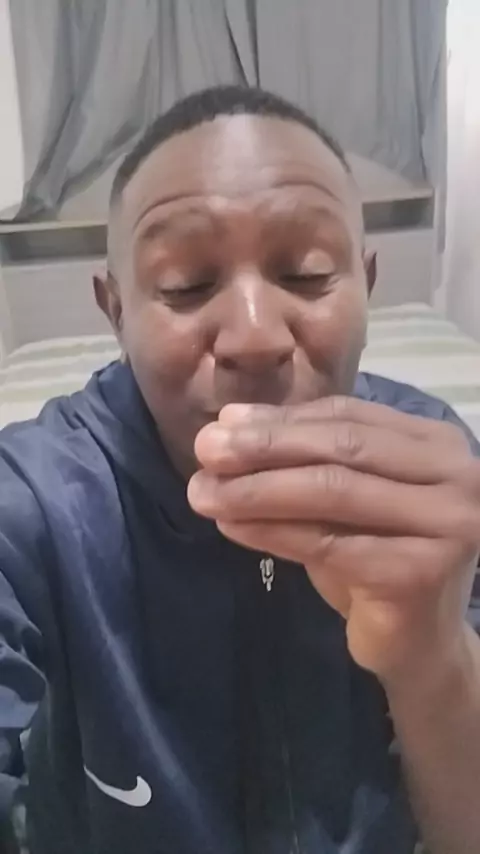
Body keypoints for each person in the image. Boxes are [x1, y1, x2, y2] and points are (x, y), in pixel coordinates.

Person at [0, 85, 479, 854]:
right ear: (116, 310)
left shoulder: (436, 473)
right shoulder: (39, 496)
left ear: (368, 283)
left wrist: (434, 659)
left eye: (308, 273)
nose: (255, 337)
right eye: (186, 285)